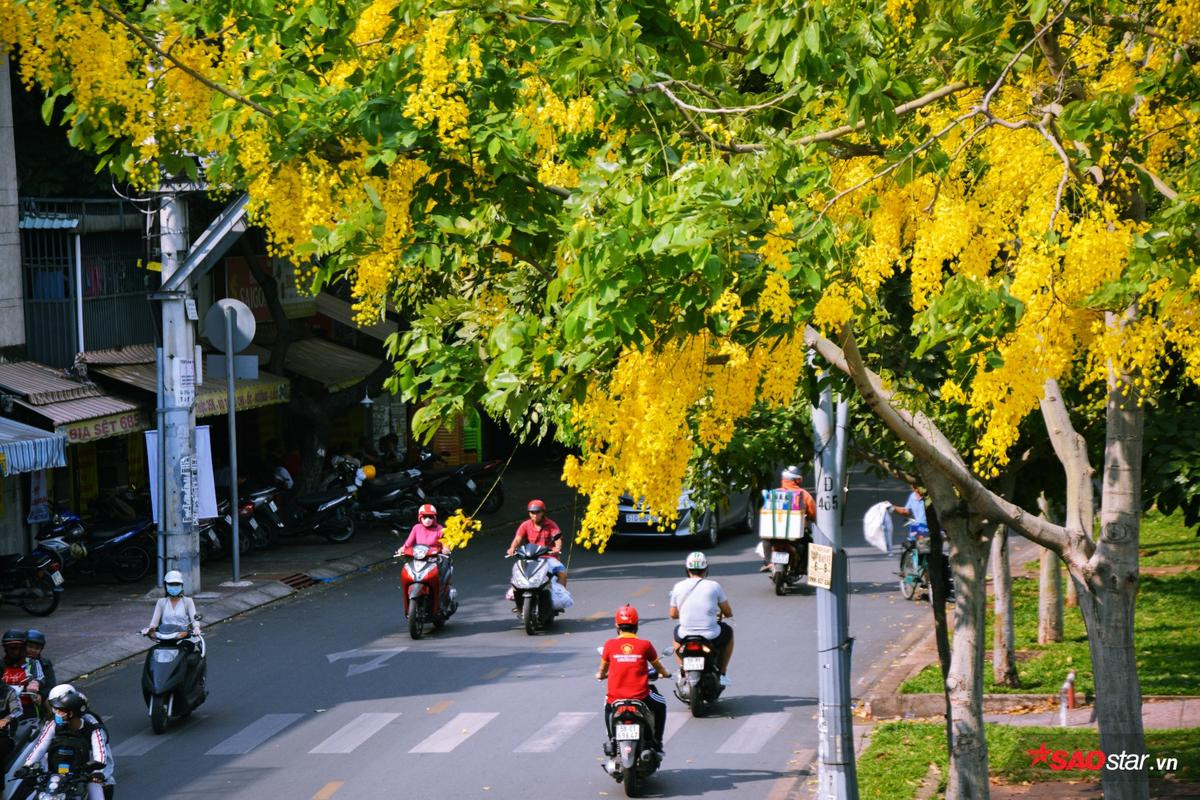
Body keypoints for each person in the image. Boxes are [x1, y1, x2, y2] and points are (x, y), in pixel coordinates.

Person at [596, 605, 671, 760]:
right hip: (641, 697)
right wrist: (666, 674)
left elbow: (602, 670)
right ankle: (657, 741)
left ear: (617, 626)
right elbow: (658, 666)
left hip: (615, 698)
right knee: (661, 703)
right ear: (637, 626)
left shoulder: (609, 645)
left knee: (607, 708)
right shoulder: (645, 645)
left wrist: (601, 675)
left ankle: (611, 739)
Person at [16, 684, 113, 800]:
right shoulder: (53, 724)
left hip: (85, 773)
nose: (55, 712)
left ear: (71, 712)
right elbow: (40, 746)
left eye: (60, 710)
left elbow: (101, 756)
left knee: (96, 792)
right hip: (57, 775)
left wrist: (97, 772)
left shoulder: (93, 727)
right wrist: (27, 766)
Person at [668, 552, 733, 686]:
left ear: (687, 569)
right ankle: (722, 673)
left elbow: (673, 614)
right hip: (710, 635)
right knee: (729, 632)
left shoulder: (678, 586)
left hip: (685, 634)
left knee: (675, 635)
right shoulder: (714, 586)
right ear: (705, 569)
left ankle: (682, 672)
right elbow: (728, 612)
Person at [761, 465, 818, 574]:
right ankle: (803, 568)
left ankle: (768, 563)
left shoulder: (774, 493)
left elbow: (766, 511)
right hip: (795, 536)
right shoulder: (804, 495)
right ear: (797, 480)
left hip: (774, 533)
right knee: (808, 541)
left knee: (766, 538)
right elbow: (814, 514)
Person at [505, 499, 568, 587]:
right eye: (532, 512)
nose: (534, 515)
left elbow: (558, 539)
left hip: (548, 557)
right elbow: (517, 539)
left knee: (562, 574)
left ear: (543, 512)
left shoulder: (551, 525)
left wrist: (557, 548)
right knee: (517, 576)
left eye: (537, 512)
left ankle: (561, 594)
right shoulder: (525, 525)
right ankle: (515, 593)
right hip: (529, 558)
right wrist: (512, 548)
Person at [2, 630, 44, 714]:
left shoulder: (33, 662)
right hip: (5, 707)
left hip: (27, 705)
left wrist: (35, 683)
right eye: (11, 648)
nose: (15, 651)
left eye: (19, 648)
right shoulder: (1, 664)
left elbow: (40, 677)